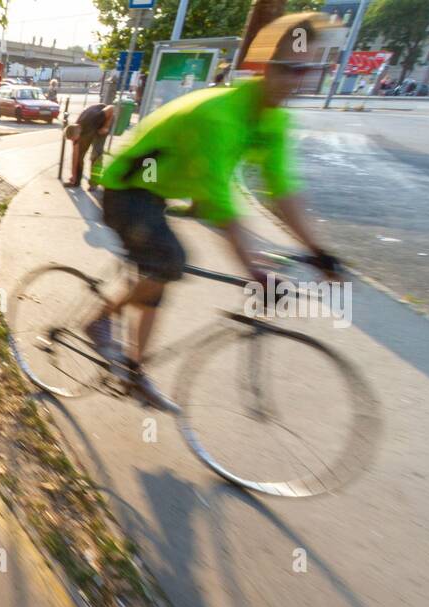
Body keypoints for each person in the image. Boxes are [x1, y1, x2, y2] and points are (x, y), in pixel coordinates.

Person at [88, 12, 342, 409]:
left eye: (308, 69)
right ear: (265, 69)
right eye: (291, 69)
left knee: (158, 282)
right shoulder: (218, 116)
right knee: (169, 261)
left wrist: (320, 252)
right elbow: (219, 204)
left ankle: (134, 373)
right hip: (126, 188)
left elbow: (283, 190)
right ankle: (100, 318)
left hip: (160, 192)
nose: (299, 80)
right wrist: (254, 270)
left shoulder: (273, 119)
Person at [66, 102, 115, 188]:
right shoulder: (76, 131)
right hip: (89, 128)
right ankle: (76, 181)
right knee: (80, 155)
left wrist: (106, 126)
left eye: (74, 139)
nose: (73, 142)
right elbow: (75, 155)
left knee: (96, 155)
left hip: (103, 123)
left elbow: (111, 108)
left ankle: (94, 183)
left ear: (78, 134)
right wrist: (73, 175)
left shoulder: (94, 118)